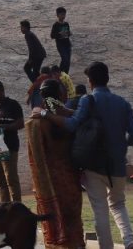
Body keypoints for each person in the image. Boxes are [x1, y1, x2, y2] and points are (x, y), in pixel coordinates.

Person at [40, 62, 133, 249]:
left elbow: (72, 125)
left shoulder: (87, 100)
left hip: (94, 164)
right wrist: (120, 145)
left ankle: (106, 246)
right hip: (117, 164)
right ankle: (129, 240)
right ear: (107, 79)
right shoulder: (122, 103)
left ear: (90, 82)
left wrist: (46, 113)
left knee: (100, 209)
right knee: (118, 203)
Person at [22, 79, 85, 249]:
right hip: (69, 174)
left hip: (48, 178)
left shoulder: (34, 122)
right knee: (72, 212)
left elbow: (34, 158)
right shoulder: (69, 116)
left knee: (54, 214)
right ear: (60, 94)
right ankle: (75, 243)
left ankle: (56, 243)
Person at [0, 80, 25, 203]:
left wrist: (3, 127)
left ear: (2, 91)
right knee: (1, 180)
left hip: (9, 145)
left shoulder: (13, 105)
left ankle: (17, 207)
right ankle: (5, 207)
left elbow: (21, 123)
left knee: (11, 178)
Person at [50, 7, 72, 74]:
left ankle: (65, 74)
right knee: (65, 59)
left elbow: (68, 33)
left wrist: (69, 33)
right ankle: (59, 73)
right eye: (61, 14)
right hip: (60, 45)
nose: (63, 16)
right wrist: (59, 34)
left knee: (67, 61)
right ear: (57, 15)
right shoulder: (55, 25)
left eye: (64, 14)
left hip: (67, 44)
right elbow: (52, 35)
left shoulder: (66, 24)